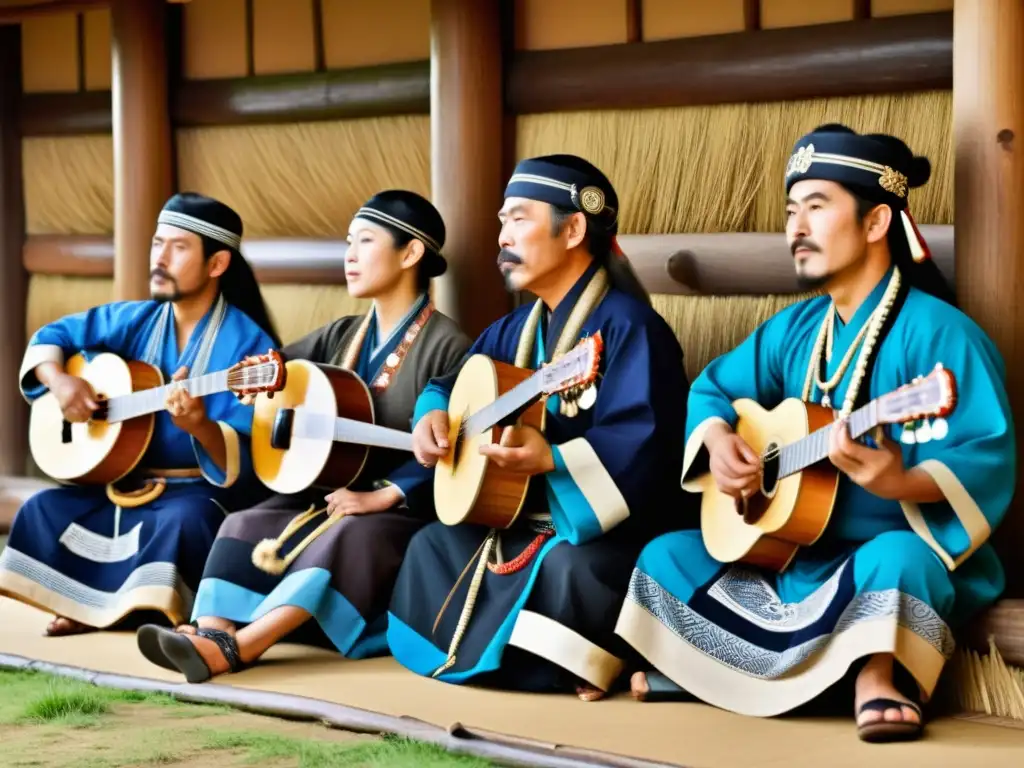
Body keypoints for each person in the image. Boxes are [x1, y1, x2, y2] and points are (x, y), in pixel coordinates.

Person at [615, 125, 1015, 742]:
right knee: (665, 554)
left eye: (817, 208)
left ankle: (875, 676)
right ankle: (788, 673)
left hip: (876, 565)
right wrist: (722, 444)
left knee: (900, 559)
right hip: (792, 560)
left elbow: (986, 454)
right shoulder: (796, 328)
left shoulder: (941, 336)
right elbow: (711, 390)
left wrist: (902, 480)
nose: (796, 227)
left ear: (877, 222)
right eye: (791, 211)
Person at [387, 154, 690, 702]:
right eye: (501, 221)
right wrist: (431, 414)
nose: (502, 237)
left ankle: (576, 660)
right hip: (518, 518)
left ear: (573, 228)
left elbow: (646, 446)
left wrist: (552, 457)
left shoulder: (632, 329)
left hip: (601, 528)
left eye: (519, 219)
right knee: (433, 543)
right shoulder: (515, 329)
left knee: (574, 568)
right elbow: (448, 384)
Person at [135, 190, 472, 683]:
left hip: (401, 513)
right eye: (348, 243)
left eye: (365, 241)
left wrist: (385, 496)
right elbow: (283, 369)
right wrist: (261, 375)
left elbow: (458, 449)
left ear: (411, 253)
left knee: (352, 534)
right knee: (246, 522)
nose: (350, 256)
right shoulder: (342, 333)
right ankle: (208, 631)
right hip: (329, 497)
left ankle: (240, 647)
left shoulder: (450, 346)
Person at [0, 193, 282, 636]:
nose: (160, 258)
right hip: (118, 482)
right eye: (156, 244)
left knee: (186, 523)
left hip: (192, 493)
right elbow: (52, 335)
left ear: (217, 264)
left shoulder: (249, 350)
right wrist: (61, 381)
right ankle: (94, 605)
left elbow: (249, 463)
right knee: (43, 508)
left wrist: (200, 426)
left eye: (179, 247)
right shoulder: (134, 319)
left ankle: (127, 606)